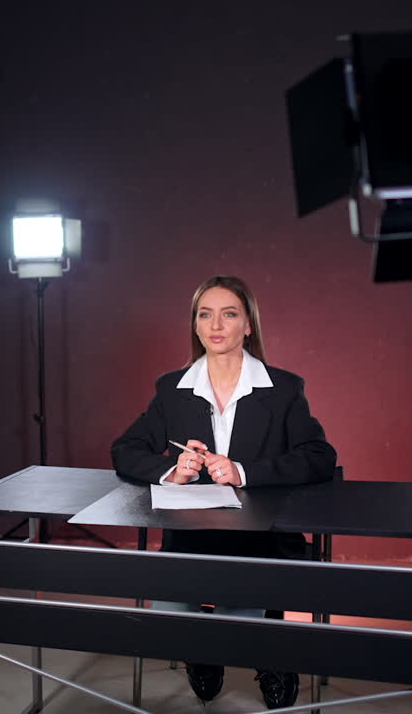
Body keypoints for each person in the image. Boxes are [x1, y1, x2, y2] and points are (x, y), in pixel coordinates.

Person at [111, 275, 337, 709]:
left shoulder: (284, 388)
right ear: (195, 326)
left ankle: (268, 657)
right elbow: (125, 450)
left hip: (263, 537)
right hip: (193, 536)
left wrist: (243, 472)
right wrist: (171, 470)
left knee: (245, 594)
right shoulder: (172, 389)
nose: (216, 324)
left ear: (247, 325)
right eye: (205, 314)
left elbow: (319, 455)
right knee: (174, 602)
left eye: (229, 314)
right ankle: (205, 646)